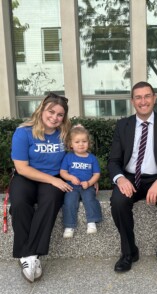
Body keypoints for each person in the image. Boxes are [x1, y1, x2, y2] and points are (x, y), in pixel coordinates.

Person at [108, 81, 157, 275]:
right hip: (130, 178)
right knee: (118, 201)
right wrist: (120, 178)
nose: (143, 101)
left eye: (147, 96)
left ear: (154, 99)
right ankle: (129, 252)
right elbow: (113, 160)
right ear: (132, 101)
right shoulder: (122, 125)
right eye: (138, 97)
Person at [9, 93, 72, 283]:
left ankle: (31, 255)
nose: (55, 117)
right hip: (26, 176)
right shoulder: (23, 132)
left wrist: (88, 180)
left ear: (64, 117)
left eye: (60, 114)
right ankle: (28, 256)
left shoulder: (64, 133)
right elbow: (22, 167)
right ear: (42, 109)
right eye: (51, 112)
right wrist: (52, 180)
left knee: (51, 201)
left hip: (53, 178)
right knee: (19, 202)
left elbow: (78, 156)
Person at [60, 124, 102, 238]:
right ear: (71, 144)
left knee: (90, 199)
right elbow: (63, 172)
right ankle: (69, 226)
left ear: (88, 143)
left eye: (84, 141)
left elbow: (96, 174)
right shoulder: (68, 157)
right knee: (69, 202)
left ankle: (92, 222)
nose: (81, 144)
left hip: (87, 186)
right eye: (77, 142)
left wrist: (89, 183)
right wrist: (71, 178)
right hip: (71, 186)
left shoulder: (92, 158)